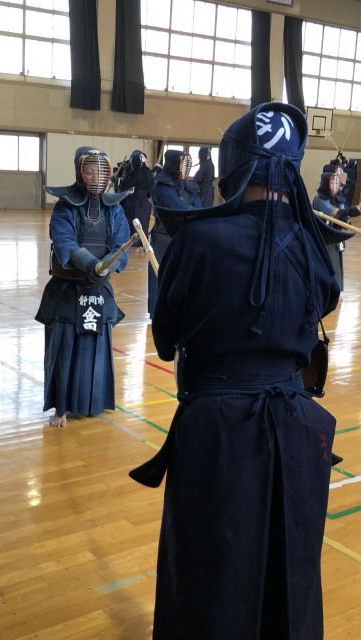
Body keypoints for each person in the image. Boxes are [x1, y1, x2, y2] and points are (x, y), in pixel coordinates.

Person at [130, 103, 342, 639]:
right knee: (290, 571)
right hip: (297, 434)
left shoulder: (196, 241)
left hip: (218, 436)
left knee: (209, 575)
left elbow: (166, 342)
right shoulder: (315, 250)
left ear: (232, 168)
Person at [35, 147, 130, 428]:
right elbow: (64, 241)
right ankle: (61, 409)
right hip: (68, 290)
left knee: (95, 349)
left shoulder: (115, 209)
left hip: (99, 291)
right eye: (90, 170)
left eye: (102, 171)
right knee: (65, 351)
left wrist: (107, 267)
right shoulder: (65, 207)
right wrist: (91, 265)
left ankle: (93, 403)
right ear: (80, 171)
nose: (96, 177)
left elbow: (121, 244)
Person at [148, 150, 202, 317]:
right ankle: (158, 315)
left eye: (186, 164)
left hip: (186, 238)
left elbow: (199, 209)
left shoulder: (190, 187)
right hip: (163, 239)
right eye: (181, 164)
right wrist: (192, 212)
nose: (185, 168)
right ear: (173, 164)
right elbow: (177, 208)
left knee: (185, 278)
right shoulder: (161, 187)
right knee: (160, 278)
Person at [312, 160, 359, 290]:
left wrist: (347, 219)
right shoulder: (319, 200)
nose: (338, 185)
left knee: (336, 265)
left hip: (335, 238)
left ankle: (335, 290)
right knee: (326, 265)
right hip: (324, 239)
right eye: (334, 182)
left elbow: (344, 219)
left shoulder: (338, 199)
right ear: (326, 183)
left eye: (338, 181)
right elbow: (336, 212)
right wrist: (354, 211)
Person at [118, 149, 153, 250]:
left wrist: (124, 176)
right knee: (141, 227)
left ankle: (133, 245)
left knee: (134, 227)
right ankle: (140, 245)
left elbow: (125, 187)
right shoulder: (147, 172)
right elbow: (150, 189)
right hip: (143, 203)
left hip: (133, 203)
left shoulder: (135, 173)